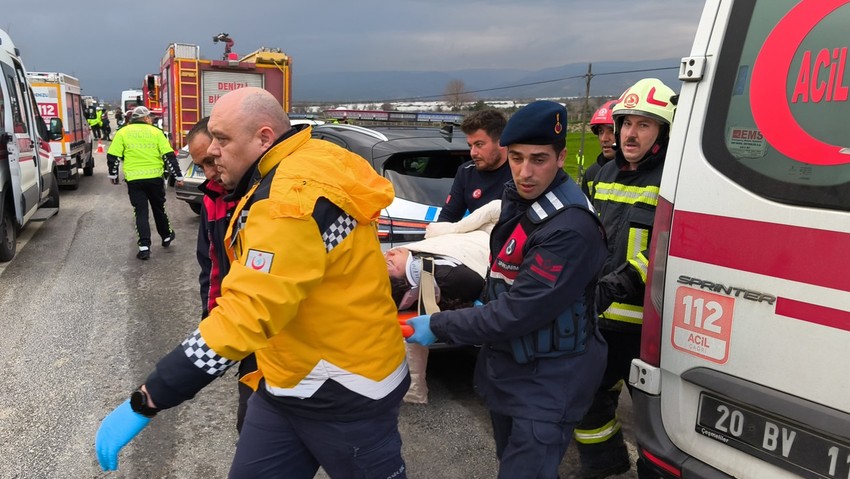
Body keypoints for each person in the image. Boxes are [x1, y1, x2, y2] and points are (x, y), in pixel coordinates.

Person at [95, 87, 410, 479]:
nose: (212, 151)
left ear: (264, 137)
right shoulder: (310, 157)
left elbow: (248, 312)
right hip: (284, 379)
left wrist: (151, 396)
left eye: (223, 140)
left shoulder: (288, 200)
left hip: (344, 390)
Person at [406, 100, 609, 479]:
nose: (525, 172)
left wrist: (442, 325)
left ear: (561, 157)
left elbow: (521, 310)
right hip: (515, 368)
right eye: (516, 158)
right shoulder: (520, 201)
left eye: (538, 159)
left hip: (550, 378)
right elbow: (501, 273)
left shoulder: (569, 227)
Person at [575, 78, 677, 479]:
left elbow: (665, 251)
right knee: (586, 402)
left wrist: (617, 285)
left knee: (657, 421)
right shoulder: (600, 175)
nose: (630, 133)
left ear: (662, 133)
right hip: (597, 319)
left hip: (644, 329)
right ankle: (606, 466)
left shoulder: (672, 181)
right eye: (626, 124)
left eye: (644, 124)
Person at [387, 199, 496, 404]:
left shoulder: (432, 270)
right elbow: (497, 206)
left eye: (387, 257)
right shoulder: (450, 276)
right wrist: (455, 228)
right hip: (487, 237)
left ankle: (414, 392)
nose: (390, 252)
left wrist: (451, 228)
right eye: (391, 262)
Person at [186, 116, 254, 433]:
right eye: (202, 166)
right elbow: (211, 267)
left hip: (274, 329)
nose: (211, 172)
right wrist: (211, 324)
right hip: (243, 327)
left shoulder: (264, 196)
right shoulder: (213, 197)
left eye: (212, 161)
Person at [106, 106, 183, 260]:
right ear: (146, 118)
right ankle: (166, 236)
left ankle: (144, 247)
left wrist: (113, 175)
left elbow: (113, 156)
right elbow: (169, 156)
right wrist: (178, 177)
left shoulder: (123, 132)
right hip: (155, 178)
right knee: (158, 208)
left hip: (134, 180)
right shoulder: (156, 132)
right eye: (150, 117)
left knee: (140, 212)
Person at [437, 109, 512, 222]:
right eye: (470, 146)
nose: (473, 153)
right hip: (478, 237)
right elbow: (448, 216)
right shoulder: (466, 172)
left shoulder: (520, 171)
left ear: (501, 142)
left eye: (479, 144)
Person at [581, 99, 618, 198]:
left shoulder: (637, 172)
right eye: (601, 132)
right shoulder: (591, 174)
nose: (604, 139)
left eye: (611, 131)